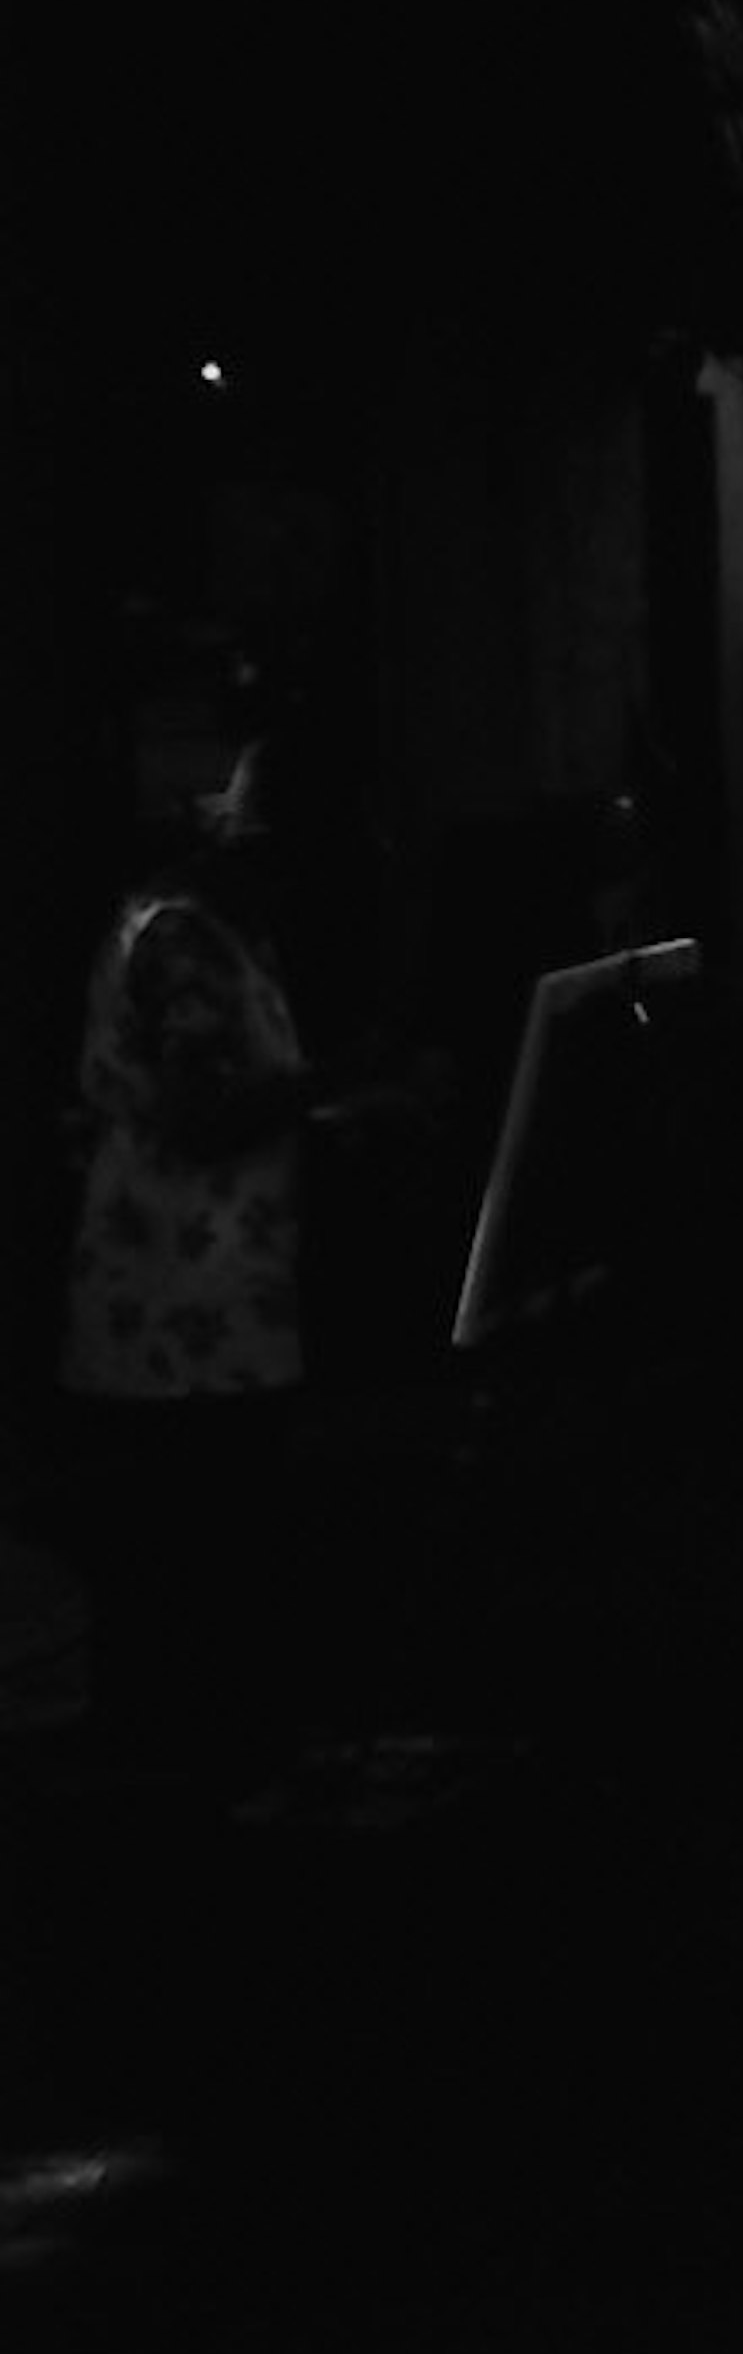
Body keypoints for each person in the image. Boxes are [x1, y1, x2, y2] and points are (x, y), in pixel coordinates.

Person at [54, 702, 335, 1755]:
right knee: (196, 1551)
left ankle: (198, 1766)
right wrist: (325, 1093)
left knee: (205, 1551)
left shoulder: (210, 925)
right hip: (180, 1305)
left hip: (202, 1303)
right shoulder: (181, 935)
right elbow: (197, 1110)